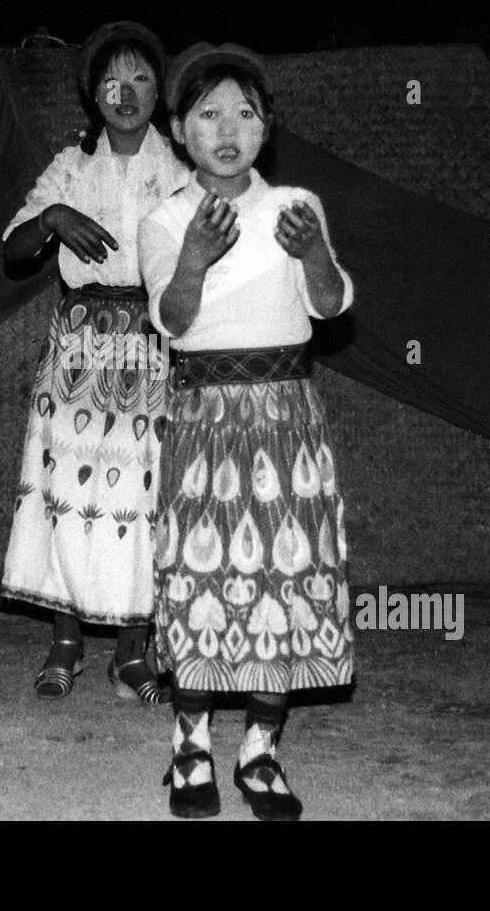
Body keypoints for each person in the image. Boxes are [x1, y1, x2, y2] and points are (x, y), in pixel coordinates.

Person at [139, 42, 354, 820]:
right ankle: (189, 741)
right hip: (203, 416)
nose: (228, 128)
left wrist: (316, 252)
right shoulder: (163, 218)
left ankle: (260, 750)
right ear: (177, 129)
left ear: (267, 127)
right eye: (207, 113)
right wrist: (193, 256)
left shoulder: (297, 204)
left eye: (246, 112)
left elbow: (329, 306)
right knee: (199, 578)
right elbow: (172, 317)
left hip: (287, 413)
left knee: (283, 579)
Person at [2, 22, 188, 704]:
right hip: (80, 343)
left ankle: (133, 653)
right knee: (67, 490)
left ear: (159, 91)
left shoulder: (180, 168)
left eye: (142, 78)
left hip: (152, 339)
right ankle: (66, 642)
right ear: (94, 93)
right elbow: (14, 252)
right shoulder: (71, 166)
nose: (128, 91)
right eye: (114, 79)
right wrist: (51, 216)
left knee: (141, 496)